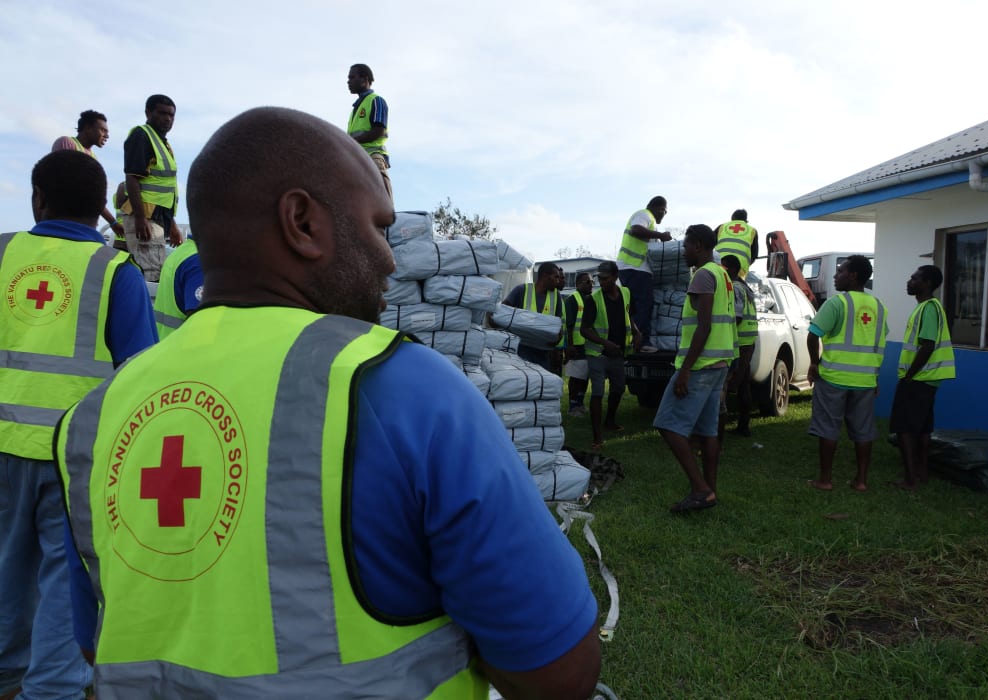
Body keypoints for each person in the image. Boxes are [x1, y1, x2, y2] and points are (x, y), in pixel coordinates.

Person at [54, 106, 600, 699]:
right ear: (302, 222)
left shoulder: (93, 420)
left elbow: (97, 641)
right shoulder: (404, 389)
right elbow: (559, 673)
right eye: (375, 228)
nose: (390, 259)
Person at [0, 151, 156, 700]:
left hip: (0, 448)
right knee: (66, 582)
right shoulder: (116, 272)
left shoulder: (1, 252)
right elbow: (139, 377)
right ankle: (52, 690)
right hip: (74, 460)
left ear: (37, 198)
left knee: (4, 568)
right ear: (100, 210)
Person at [653, 225, 736, 513]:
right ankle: (710, 491)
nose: (684, 251)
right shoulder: (723, 274)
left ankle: (700, 489)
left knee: (666, 423)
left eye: (686, 246)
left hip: (700, 365)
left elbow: (704, 326)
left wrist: (686, 370)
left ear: (698, 245)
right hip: (719, 362)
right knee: (707, 430)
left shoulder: (702, 275)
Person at [806, 255, 888, 492]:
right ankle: (861, 480)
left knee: (828, 427)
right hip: (865, 380)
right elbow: (877, 344)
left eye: (840, 271)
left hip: (834, 377)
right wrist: (874, 377)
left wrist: (814, 364)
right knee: (863, 430)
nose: (835, 275)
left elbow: (813, 334)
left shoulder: (837, 303)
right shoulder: (879, 307)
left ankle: (825, 479)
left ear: (853, 276)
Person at [889, 265, 955, 490]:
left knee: (905, 428)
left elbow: (927, 346)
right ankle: (922, 473)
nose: (909, 281)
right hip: (927, 379)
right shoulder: (927, 308)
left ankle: (910, 479)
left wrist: (909, 376)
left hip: (919, 379)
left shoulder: (928, 308)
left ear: (927, 283)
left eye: (914, 278)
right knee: (923, 428)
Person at [122, 94, 183, 282]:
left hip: (159, 217)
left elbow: (163, 190)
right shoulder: (142, 136)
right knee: (151, 275)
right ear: (148, 113)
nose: (168, 119)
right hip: (145, 218)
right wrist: (140, 218)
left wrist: (171, 224)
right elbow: (132, 178)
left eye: (171, 115)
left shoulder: (163, 143)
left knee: (155, 271)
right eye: (162, 113)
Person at [580, 261, 639, 450]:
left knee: (619, 388)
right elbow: (584, 330)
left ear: (615, 277)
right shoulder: (593, 300)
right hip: (597, 353)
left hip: (618, 353)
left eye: (605, 279)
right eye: (599, 278)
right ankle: (597, 436)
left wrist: (637, 332)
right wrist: (605, 343)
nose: (601, 282)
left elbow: (629, 315)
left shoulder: (626, 293)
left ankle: (610, 421)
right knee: (598, 392)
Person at [51, 109, 124, 237]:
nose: (106, 135)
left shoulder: (93, 158)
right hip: (64, 219)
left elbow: (93, 196)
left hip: (84, 222)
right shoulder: (66, 142)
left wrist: (113, 223)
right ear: (88, 128)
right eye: (102, 130)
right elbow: (63, 181)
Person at [617, 196, 672, 352]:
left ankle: (634, 340)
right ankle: (642, 343)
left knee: (635, 307)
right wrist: (661, 236)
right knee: (643, 305)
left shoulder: (650, 222)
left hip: (634, 268)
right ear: (659, 208)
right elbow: (636, 230)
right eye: (664, 211)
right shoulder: (644, 215)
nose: (664, 214)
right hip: (634, 268)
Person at [499, 261, 565, 367]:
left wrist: (557, 340)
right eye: (555, 277)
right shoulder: (521, 290)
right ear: (545, 276)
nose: (558, 281)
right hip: (521, 349)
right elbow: (502, 312)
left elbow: (558, 323)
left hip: (543, 352)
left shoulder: (556, 296)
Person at [722, 255, 757, 436]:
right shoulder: (745, 287)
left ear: (733, 270)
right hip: (749, 341)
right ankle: (743, 426)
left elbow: (736, 317)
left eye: (724, 267)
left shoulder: (735, 288)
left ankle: (717, 427)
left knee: (727, 383)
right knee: (744, 385)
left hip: (740, 342)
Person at [346, 63, 392, 202]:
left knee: (382, 201)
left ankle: (388, 219)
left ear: (365, 80)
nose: (348, 81)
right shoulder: (355, 109)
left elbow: (378, 130)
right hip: (358, 159)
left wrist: (350, 141)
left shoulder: (376, 101)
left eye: (352, 77)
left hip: (373, 157)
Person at [153, 232, 203, 338]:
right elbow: (201, 331)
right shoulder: (199, 263)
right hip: (185, 350)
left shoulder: (184, 251)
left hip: (163, 345)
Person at [564, 272, 593, 417]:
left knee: (584, 375)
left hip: (588, 345)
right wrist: (570, 345)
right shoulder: (572, 300)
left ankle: (580, 403)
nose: (590, 285)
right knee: (576, 377)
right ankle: (573, 405)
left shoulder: (590, 299)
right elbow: (569, 325)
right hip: (576, 345)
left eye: (591, 282)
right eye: (587, 282)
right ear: (578, 284)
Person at [715, 209, 759, 280]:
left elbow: (708, 243)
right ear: (745, 220)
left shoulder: (722, 227)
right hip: (738, 271)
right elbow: (754, 254)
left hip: (718, 266)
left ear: (732, 218)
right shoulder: (752, 230)